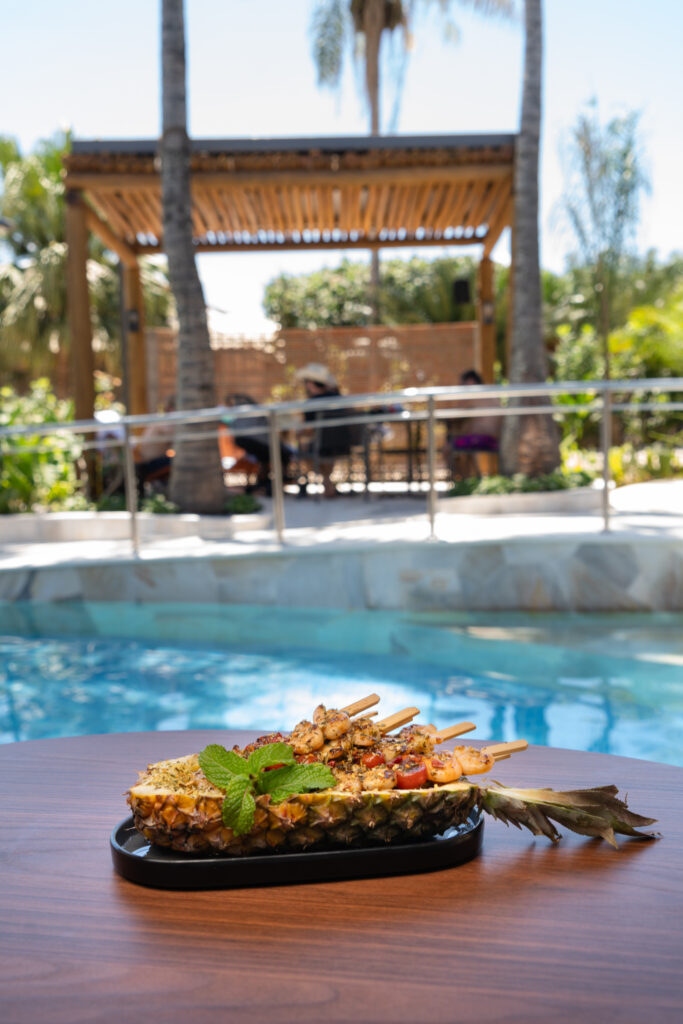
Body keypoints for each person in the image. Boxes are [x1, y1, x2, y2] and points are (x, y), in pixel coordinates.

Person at [294, 363, 353, 498]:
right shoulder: (338, 398)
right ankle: (328, 484)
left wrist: (298, 433)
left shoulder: (312, 403)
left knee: (304, 448)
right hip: (344, 444)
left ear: (310, 384)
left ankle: (326, 483)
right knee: (324, 449)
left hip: (323, 446)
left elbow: (308, 429)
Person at [222, 393, 295, 496]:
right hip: (261, 443)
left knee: (265, 459)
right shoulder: (251, 411)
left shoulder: (241, 412)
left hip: (251, 442)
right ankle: (275, 485)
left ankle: (267, 484)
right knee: (281, 456)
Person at [444, 370, 500, 478]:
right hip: (494, 439)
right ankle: (472, 478)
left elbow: (453, 416)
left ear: (470, 382)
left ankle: (461, 480)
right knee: (464, 446)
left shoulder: (474, 393)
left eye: (461, 384)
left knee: (447, 448)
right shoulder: (489, 392)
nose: (460, 388)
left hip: (481, 439)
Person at [135, 394, 176, 498]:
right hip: (149, 465)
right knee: (181, 460)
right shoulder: (163, 423)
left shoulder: (162, 421)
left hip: (151, 462)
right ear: (171, 409)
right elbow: (176, 436)